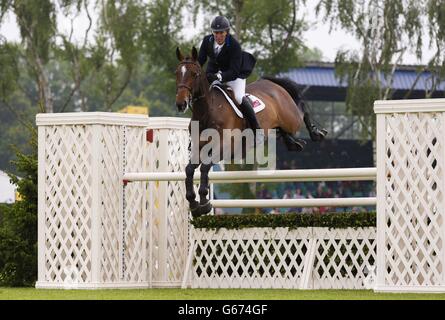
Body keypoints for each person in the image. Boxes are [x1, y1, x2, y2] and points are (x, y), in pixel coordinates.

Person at [198, 16, 261, 138]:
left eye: (221, 33)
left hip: (234, 75)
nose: (218, 36)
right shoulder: (207, 41)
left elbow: (234, 71)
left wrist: (219, 77)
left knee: (238, 97)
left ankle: (257, 129)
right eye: (215, 32)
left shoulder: (234, 45)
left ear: (227, 32)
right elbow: (201, 60)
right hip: (214, 73)